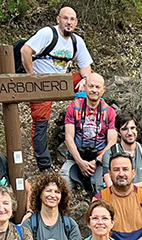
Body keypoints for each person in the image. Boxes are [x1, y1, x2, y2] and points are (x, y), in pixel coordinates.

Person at [20, 7, 93, 171]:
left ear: (76, 22)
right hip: (42, 84)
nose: (69, 22)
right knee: (40, 122)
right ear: (58, 19)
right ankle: (44, 165)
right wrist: (32, 76)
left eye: (72, 19)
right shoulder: (48, 34)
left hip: (61, 83)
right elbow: (25, 50)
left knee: (92, 82)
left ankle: (86, 121)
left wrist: (85, 79)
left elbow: (86, 66)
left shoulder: (76, 41)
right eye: (65, 18)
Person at [60, 73, 117, 194]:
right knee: (62, 185)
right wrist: (80, 162)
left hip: (99, 159)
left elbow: (112, 142)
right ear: (85, 87)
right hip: (75, 157)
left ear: (103, 90)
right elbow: (68, 137)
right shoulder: (74, 108)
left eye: (97, 87)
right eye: (91, 86)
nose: (94, 90)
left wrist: (97, 161)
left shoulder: (110, 112)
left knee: (104, 189)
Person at [100, 111, 142, 195]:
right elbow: (111, 189)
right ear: (118, 132)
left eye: (132, 128)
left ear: (136, 129)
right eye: (125, 129)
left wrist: (126, 189)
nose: (130, 133)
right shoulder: (110, 154)